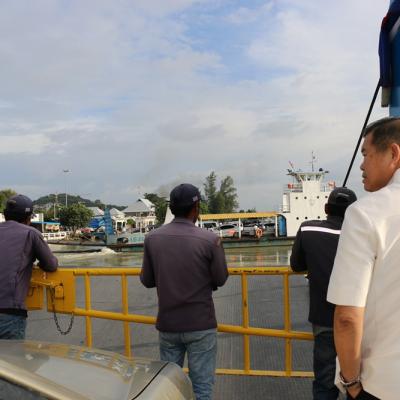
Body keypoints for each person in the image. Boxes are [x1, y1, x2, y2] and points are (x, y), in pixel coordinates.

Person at [327, 117, 400, 400]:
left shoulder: (365, 214)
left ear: (393, 153)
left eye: (366, 154)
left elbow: (347, 318)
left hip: (383, 386)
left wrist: (352, 383)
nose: (361, 165)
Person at [140, 183, 228, 400]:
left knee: (169, 388)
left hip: (168, 325)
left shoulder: (152, 238)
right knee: (201, 388)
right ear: (196, 208)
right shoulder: (211, 240)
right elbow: (221, 278)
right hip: (200, 324)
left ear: (172, 208)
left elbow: (147, 280)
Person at [291, 187, 357, 400]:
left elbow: (296, 265)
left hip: (324, 320)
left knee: (324, 383)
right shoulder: (364, 234)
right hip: (359, 322)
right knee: (358, 383)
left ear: (326, 208)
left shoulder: (308, 229)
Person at [0, 194, 58, 339]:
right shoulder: (31, 233)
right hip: (9, 312)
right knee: (12, 354)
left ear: (6, 215)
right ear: (28, 218)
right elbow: (51, 265)